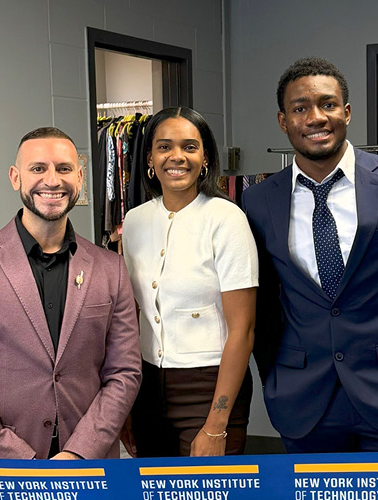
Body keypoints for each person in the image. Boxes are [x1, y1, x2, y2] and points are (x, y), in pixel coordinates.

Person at [240, 57, 378, 453]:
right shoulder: (258, 201)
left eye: (328, 105)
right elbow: (260, 308)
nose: (316, 117)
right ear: (283, 121)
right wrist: (275, 380)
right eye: (300, 108)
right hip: (303, 405)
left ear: (346, 112)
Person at [0, 127, 141, 460]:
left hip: (87, 465)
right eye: (38, 168)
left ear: (80, 177)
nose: (53, 180)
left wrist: (79, 453)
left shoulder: (110, 268)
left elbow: (124, 373)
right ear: (15, 177)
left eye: (64, 168)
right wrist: (22, 461)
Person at [120, 107, 258, 457]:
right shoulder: (134, 222)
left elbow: (242, 330)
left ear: (205, 156)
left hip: (208, 389)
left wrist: (216, 425)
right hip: (147, 387)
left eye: (189, 146)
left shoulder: (226, 219)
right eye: (164, 147)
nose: (176, 157)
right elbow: (130, 314)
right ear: (149, 157)